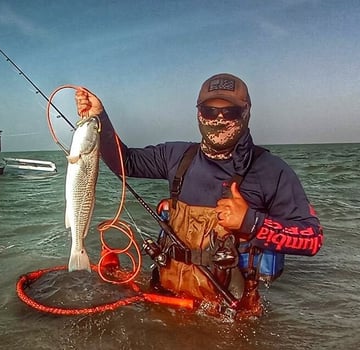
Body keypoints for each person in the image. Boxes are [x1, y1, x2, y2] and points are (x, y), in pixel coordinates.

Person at [74, 73, 324, 318]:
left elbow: (312, 238)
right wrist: (100, 118)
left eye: (230, 111)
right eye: (209, 111)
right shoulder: (176, 156)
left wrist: (251, 222)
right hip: (166, 302)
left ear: (246, 112)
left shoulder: (272, 170)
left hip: (229, 317)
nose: (219, 118)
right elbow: (124, 162)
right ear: (198, 113)